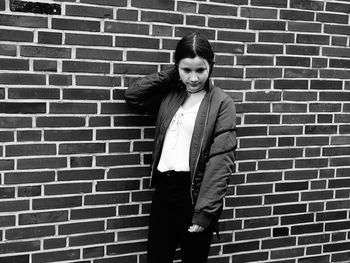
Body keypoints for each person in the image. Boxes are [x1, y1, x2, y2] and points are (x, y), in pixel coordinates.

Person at [124, 32, 236, 263]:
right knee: (157, 257)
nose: (193, 78)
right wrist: (172, 75)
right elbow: (133, 95)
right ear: (177, 68)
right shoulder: (171, 96)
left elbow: (221, 161)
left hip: (194, 194)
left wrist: (205, 211)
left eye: (200, 70)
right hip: (165, 190)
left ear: (211, 67)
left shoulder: (221, 103)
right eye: (187, 70)